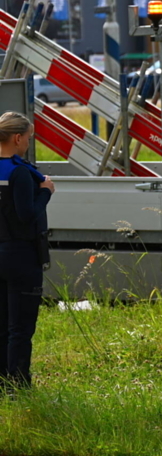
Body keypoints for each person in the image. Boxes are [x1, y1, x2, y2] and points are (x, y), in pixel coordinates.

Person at [0, 112, 54, 392]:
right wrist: (45, 192)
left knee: (1, 325)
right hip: (20, 256)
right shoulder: (20, 173)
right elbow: (27, 215)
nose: (28, 144)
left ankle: (1, 385)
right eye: (29, 138)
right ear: (18, 138)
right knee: (20, 328)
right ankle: (18, 387)